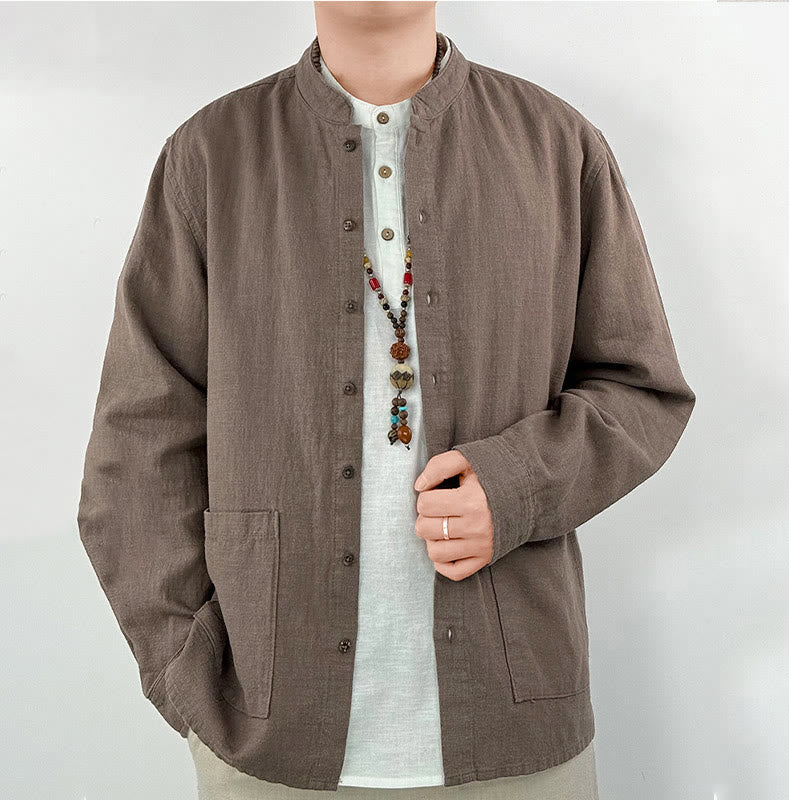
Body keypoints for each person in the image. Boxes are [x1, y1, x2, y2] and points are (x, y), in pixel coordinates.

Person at [77, 2, 695, 798]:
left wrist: (516, 486)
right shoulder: (212, 156)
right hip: (265, 732)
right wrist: (185, 677)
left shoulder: (556, 144)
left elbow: (643, 389)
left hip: (518, 726)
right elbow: (136, 447)